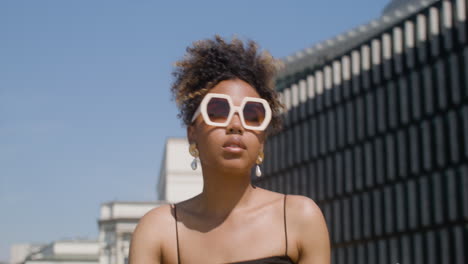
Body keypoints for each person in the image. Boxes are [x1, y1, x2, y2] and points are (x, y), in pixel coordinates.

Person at [129, 35, 330, 264]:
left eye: (253, 114)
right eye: (217, 110)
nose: (236, 125)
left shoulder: (299, 218)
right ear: (192, 133)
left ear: (262, 140)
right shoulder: (158, 230)